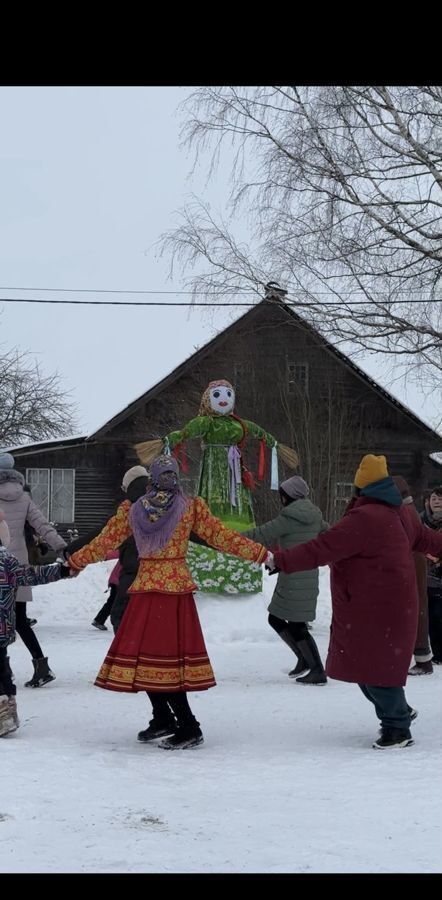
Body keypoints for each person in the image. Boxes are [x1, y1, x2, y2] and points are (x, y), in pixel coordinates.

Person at [66, 455, 269, 750]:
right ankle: (164, 718)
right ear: (175, 478)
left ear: (151, 479)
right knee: (157, 661)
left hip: (148, 591)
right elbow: (223, 538)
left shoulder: (135, 510)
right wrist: (262, 554)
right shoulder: (188, 508)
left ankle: (188, 726)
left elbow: (103, 542)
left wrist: (76, 561)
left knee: (153, 660)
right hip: (173, 594)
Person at [267, 455, 442, 750]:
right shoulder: (401, 512)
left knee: (374, 671)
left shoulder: (366, 518)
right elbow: (427, 539)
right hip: (389, 604)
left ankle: (397, 727)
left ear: (360, 486)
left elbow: (320, 548)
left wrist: (281, 560)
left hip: (374, 607)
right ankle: (398, 711)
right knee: (371, 668)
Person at [135, 379, 297, 594]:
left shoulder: (239, 424)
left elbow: (259, 433)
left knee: (236, 499)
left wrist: (273, 444)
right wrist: (168, 441)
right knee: (212, 502)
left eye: (228, 395)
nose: (224, 399)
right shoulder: (206, 422)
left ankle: (237, 536)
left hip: (235, 473)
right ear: (207, 400)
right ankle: (211, 533)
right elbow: (186, 432)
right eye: (217, 395)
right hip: (213, 468)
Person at [243, 475, 329, 684]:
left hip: (293, 578)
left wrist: (229, 537)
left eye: (282, 494)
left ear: (287, 496)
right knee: (280, 619)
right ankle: (305, 660)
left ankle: (317, 669)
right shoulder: (315, 516)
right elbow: (330, 536)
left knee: (296, 624)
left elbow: (261, 533)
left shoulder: (288, 518)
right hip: (306, 576)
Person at [0, 510, 72, 737]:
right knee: (1, 668)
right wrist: (61, 570)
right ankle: (8, 708)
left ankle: (4, 711)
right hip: (2, 629)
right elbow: (32, 575)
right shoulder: (7, 560)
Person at [0, 454, 67, 687]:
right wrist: (61, 547)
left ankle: (4, 671)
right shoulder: (24, 497)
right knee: (19, 620)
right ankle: (41, 666)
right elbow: (43, 525)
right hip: (17, 564)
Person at [392, 477, 433, 676]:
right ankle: (421, 656)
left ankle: (422, 657)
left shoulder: (405, 513)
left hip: (412, 565)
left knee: (415, 611)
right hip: (414, 564)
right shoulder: (410, 511)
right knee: (418, 610)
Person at [420, 486, 442, 666]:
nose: (437, 501)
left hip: (440, 576)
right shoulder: (420, 520)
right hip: (422, 575)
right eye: (434, 498)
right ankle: (426, 652)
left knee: (438, 615)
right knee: (425, 616)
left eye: (441, 499)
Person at [91, 554, 121, 631]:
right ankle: (99, 620)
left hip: (115, 581)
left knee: (111, 602)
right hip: (118, 582)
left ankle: (99, 620)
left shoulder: (124, 557)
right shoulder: (129, 558)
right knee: (114, 603)